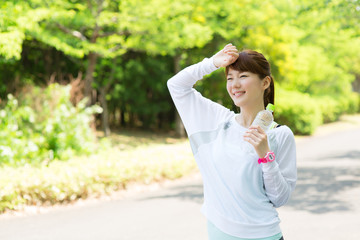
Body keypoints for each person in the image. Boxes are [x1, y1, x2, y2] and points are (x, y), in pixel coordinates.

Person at [167, 43, 297, 240]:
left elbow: (279, 198)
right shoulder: (218, 120)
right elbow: (176, 85)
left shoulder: (280, 134)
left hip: (265, 234)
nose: (235, 84)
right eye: (230, 78)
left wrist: (265, 155)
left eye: (243, 76)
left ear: (265, 82)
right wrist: (212, 63)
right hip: (220, 232)